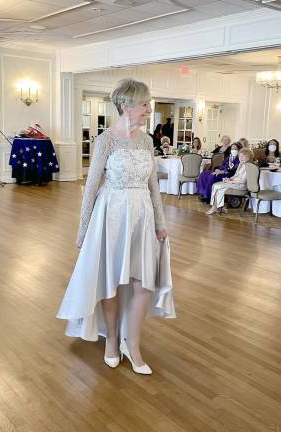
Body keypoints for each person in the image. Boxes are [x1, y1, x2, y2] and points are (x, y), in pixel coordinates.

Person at [56, 78, 176, 375]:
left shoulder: (147, 141)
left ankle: (131, 345)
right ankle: (111, 339)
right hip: (110, 214)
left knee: (143, 283)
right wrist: (83, 229)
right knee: (110, 281)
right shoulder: (106, 140)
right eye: (145, 103)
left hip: (143, 216)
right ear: (126, 105)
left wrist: (161, 222)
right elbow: (92, 185)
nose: (149, 109)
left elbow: (153, 187)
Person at [205, 148, 253, 215]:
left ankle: (214, 207)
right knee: (218, 189)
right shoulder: (240, 164)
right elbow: (235, 175)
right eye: (240, 156)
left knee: (216, 186)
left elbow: (244, 181)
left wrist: (231, 182)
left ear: (248, 157)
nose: (240, 158)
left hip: (241, 186)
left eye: (243, 156)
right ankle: (217, 207)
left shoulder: (248, 166)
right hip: (235, 183)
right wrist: (229, 179)